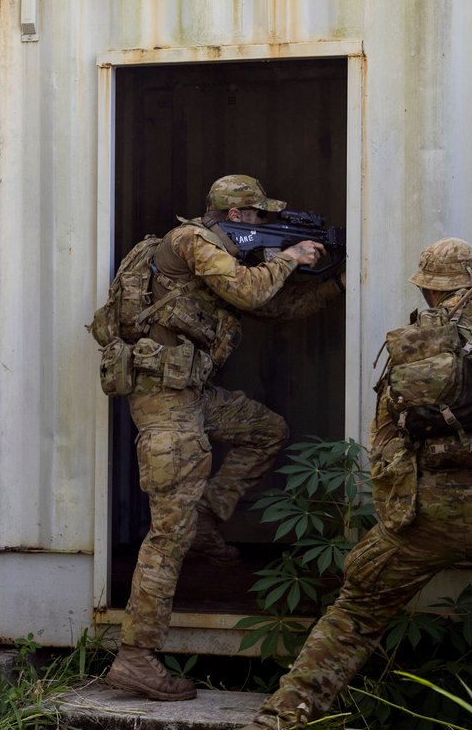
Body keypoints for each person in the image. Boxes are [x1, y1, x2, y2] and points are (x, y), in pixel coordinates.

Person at [201, 237, 472, 730]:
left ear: (427, 287)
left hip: (422, 512)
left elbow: (387, 434)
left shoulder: (414, 340)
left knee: (352, 618)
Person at [104, 174, 345, 701]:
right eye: (259, 217)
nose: (263, 226)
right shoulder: (192, 241)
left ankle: (211, 516)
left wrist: (335, 281)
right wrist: (291, 256)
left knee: (266, 431)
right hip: (167, 404)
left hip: (192, 394)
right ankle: (136, 658)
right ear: (238, 217)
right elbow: (249, 288)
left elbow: (272, 307)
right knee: (169, 534)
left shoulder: (213, 255)